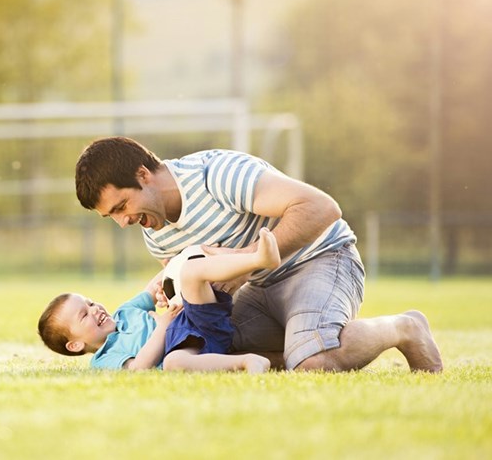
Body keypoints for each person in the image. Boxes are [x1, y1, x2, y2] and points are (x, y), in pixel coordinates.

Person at [74, 136, 443, 373]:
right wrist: (173, 304)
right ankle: (296, 344)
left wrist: (245, 262)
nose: (124, 222)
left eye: (122, 206)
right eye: (113, 217)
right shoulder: (155, 233)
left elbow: (321, 207)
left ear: (143, 175)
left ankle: (405, 327)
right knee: (203, 354)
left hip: (318, 260)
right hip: (256, 289)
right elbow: (197, 304)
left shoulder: (215, 174)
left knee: (313, 363)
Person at [37, 228, 281, 373]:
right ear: (75, 345)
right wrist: (163, 326)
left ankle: (258, 259)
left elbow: (154, 287)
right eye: (84, 315)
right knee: (174, 362)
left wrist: (177, 264)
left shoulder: (125, 312)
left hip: (195, 317)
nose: (94, 309)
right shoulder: (104, 359)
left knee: (190, 272)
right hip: (187, 347)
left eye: (89, 303)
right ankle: (248, 361)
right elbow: (139, 367)